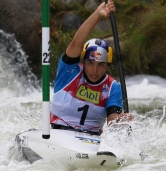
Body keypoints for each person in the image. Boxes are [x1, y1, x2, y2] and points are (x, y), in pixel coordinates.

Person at [50, 0, 131, 135]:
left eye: (101, 65)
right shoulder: (69, 71)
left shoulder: (112, 87)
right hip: (59, 134)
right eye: (90, 63)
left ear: (107, 65)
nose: (94, 71)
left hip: (91, 140)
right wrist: (98, 14)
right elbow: (76, 42)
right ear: (83, 61)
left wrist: (120, 121)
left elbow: (112, 121)